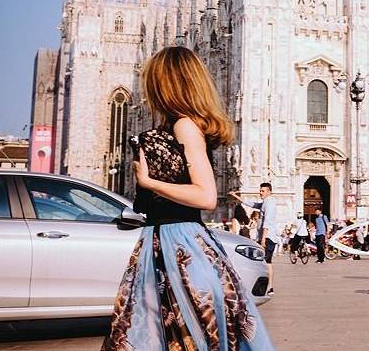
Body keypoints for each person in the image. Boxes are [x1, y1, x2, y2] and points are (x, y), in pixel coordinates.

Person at [102, 46, 274, 350]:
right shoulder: (179, 126)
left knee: (186, 333)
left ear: (167, 84)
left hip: (179, 243)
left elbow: (206, 195)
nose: (148, 89)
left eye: (153, 81)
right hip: (165, 242)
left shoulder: (184, 126)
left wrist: (149, 182)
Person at [229, 184, 278, 295]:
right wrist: (237, 197)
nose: (260, 192)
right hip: (265, 236)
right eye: (260, 190)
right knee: (264, 262)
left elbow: (268, 221)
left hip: (268, 237)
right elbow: (252, 204)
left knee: (267, 262)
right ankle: (264, 286)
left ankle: (269, 287)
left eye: (263, 191)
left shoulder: (269, 203)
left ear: (269, 191)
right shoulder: (265, 202)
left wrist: (263, 239)